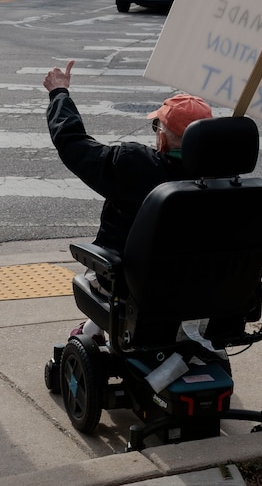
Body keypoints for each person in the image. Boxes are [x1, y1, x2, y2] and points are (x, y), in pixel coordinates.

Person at [45, 60, 218, 348]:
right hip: (205, 287)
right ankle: (94, 329)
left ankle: (91, 332)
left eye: (157, 126)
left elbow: (73, 144)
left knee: (100, 275)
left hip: (136, 287)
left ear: (162, 138)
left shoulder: (135, 166)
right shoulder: (230, 182)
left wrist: (59, 93)